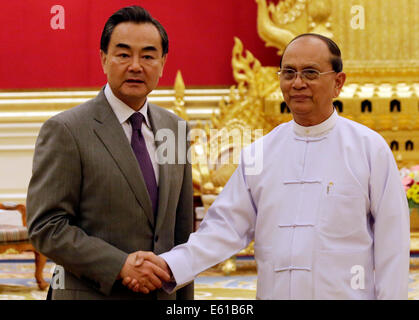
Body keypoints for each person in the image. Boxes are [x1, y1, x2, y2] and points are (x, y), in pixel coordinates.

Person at [124, 33, 410, 299]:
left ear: (338, 82)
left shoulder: (369, 150)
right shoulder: (260, 153)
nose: (297, 83)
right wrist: (167, 266)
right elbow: (223, 229)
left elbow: (392, 247)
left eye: (310, 73)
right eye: (288, 73)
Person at [26, 5, 194, 300]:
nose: (136, 65)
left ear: (163, 63)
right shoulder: (67, 130)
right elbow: (46, 226)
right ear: (104, 58)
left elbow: (181, 235)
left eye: (148, 55)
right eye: (123, 54)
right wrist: (120, 266)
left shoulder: (175, 129)